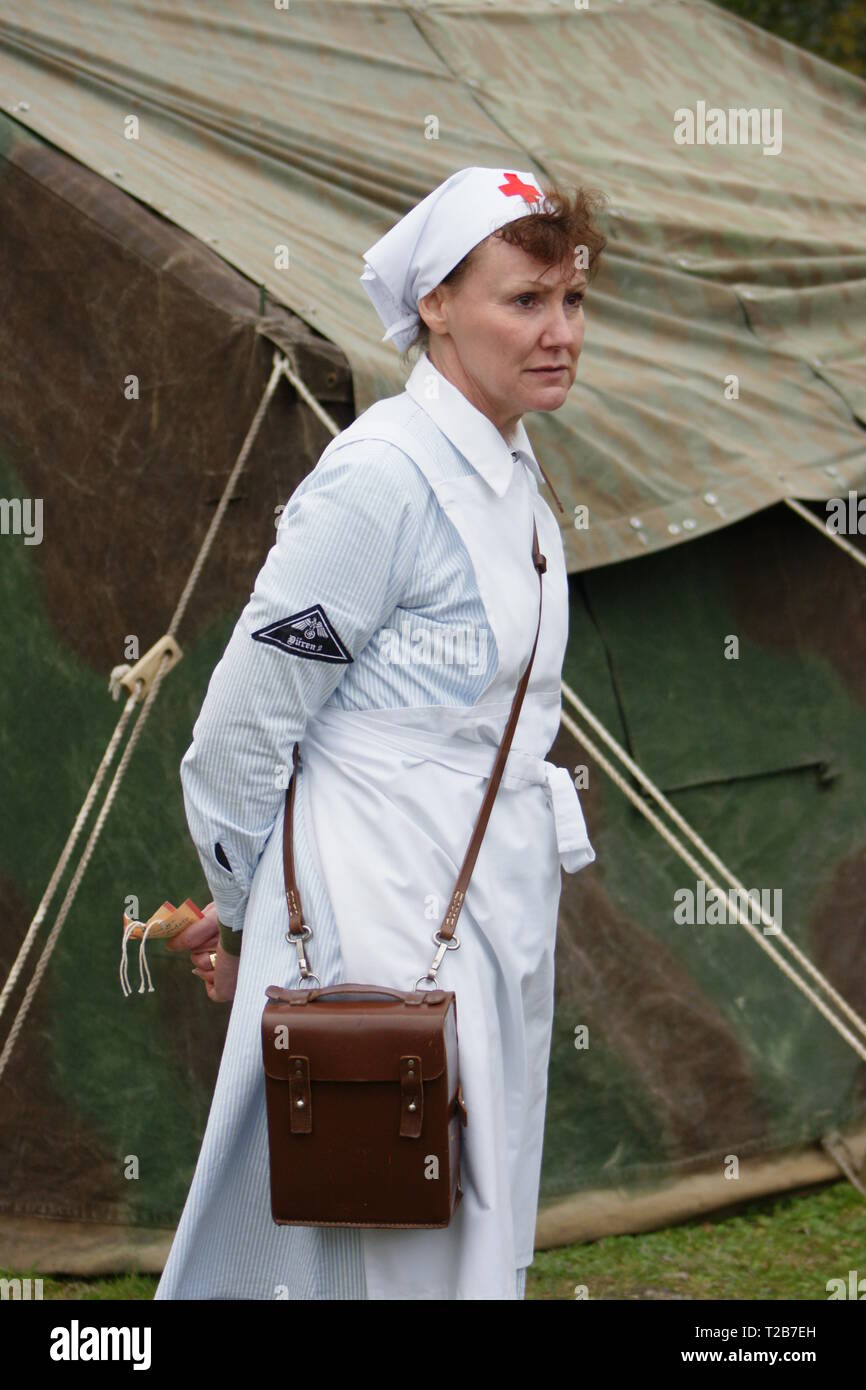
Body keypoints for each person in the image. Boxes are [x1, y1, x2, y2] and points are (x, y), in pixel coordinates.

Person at [154, 166, 606, 1301]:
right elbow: (242, 727)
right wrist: (255, 918)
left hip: (481, 914)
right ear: (437, 306)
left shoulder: (508, 467)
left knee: (460, 1244)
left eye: (572, 299)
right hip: (377, 932)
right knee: (382, 1253)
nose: (559, 333)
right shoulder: (381, 480)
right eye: (524, 301)